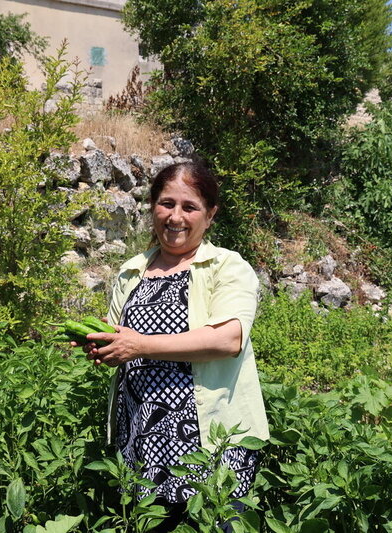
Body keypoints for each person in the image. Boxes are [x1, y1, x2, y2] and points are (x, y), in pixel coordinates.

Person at [82, 161, 269, 531]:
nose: (175, 217)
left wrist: (140, 345)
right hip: (141, 438)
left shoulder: (226, 267)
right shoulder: (132, 270)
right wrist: (104, 345)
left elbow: (228, 339)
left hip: (211, 438)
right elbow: (121, 339)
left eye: (189, 207)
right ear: (152, 206)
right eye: (166, 203)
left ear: (210, 215)